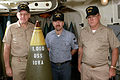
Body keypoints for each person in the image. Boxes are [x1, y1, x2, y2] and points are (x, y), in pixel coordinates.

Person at [78, 6, 120, 80]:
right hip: (86, 69)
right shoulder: (83, 32)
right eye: (89, 17)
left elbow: (115, 49)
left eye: (94, 16)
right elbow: (81, 48)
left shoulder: (108, 31)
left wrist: (113, 67)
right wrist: (79, 64)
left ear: (99, 16)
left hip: (101, 70)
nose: (91, 19)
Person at [3, 4, 34, 80]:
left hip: (32, 62)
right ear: (17, 15)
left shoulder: (34, 27)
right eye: (20, 14)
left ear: (29, 15)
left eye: (25, 14)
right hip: (18, 63)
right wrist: (7, 67)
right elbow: (6, 48)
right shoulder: (11, 28)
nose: (23, 17)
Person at [45, 12, 78, 80]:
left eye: (60, 21)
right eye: (55, 21)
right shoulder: (48, 36)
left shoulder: (70, 35)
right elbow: (47, 47)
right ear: (53, 23)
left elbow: (75, 48)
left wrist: (68, 54)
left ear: (63, 23)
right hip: (52, 66)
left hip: (66, 66)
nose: (58, 23)